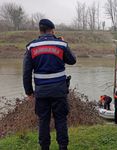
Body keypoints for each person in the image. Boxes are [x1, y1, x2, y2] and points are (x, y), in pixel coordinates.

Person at [23, 19, 76, 150]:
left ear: (40, 30)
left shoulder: (31, 47)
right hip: (59, 91)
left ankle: (44, 147)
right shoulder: (61, 44)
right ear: (52, 30)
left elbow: (26, 72)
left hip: (41, 92)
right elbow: (72, 60)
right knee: (61, 120)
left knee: (43, 121)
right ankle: (63, 147)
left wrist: (29, 92)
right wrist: (65, 44)